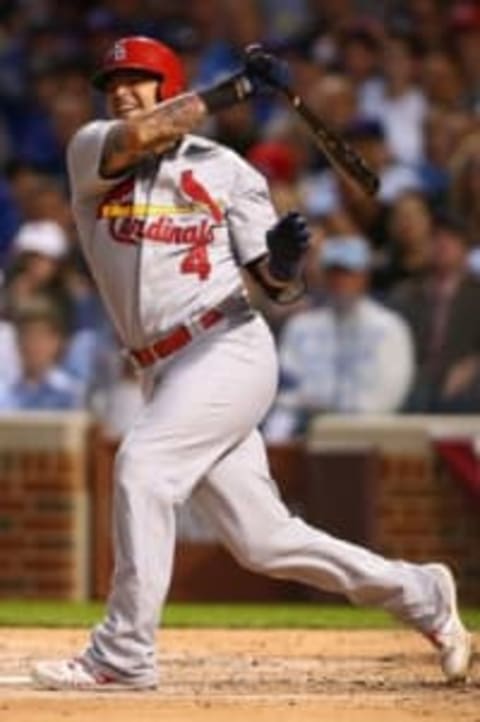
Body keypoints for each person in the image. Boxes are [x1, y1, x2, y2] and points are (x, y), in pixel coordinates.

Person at [31, 37, 471, 691]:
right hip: (162, 369)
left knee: (142, 469)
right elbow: (143, 135)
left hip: (226, 346)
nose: (121, 89)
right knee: (265, 542)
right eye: (114, 80)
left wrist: (286, 262)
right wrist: (233, 91)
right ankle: (423, 594)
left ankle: (122, 655)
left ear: (170, 84)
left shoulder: (228, 171)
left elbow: (277, 287)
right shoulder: (94, 148)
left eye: (138, 78)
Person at [264, 235, 414, 441]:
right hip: (305, 429)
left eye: (348, 272)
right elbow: (287, 391)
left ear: (364, 276)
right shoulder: (301, 327)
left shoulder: (389, 328)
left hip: (366, 434)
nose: (340, 281)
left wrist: (337, 418)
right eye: (334, 273)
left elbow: (388, 397)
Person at [390, 209, 480, 413]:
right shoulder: (405, 294)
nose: (442, 244)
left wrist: (474, 365)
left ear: (465, 249)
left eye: (451, 239)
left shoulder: (477, 294)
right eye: (436, 238)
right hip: (413, 380)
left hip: (465, 382)